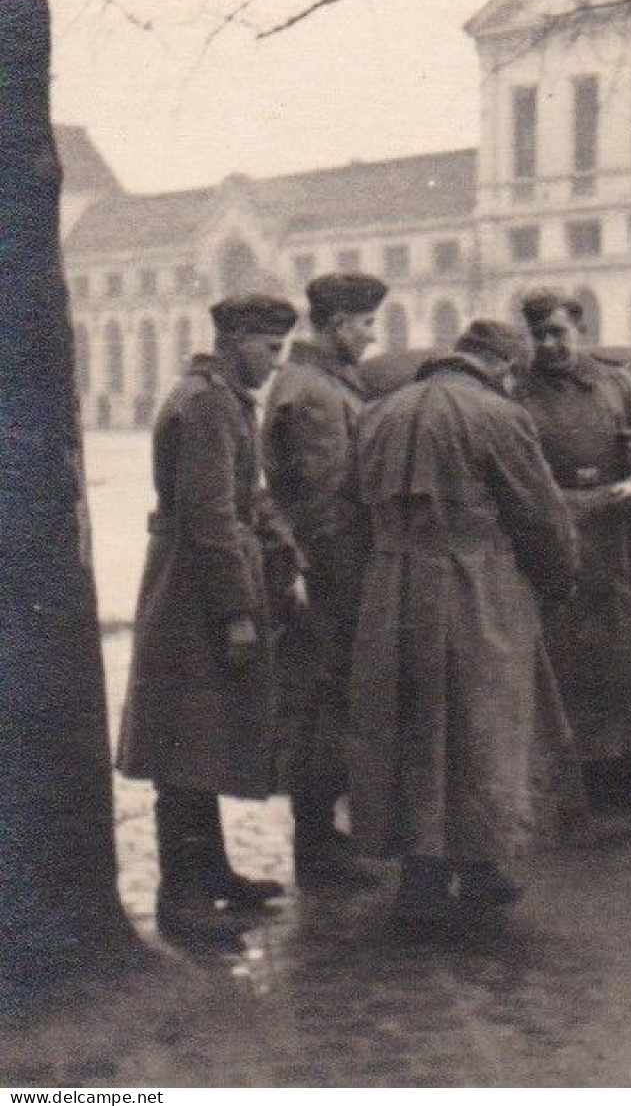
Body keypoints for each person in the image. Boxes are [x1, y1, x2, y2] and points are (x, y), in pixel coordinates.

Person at [346, 319, 581, 933]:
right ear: (505, 367)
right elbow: (540, 515)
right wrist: (557, 579)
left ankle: (419, 877)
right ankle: (479, 862)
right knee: (482, 725)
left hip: (391, 586)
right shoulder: (499, 415)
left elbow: (346, 513)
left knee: (410, 726)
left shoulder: (377, 412)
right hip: (477, 584)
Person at [117, 293, 300, 949]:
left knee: (202, 732)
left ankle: (210, 869)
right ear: (232, 339)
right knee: (187, 740)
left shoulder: (214, 396)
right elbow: (212, 516)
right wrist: (237, 613)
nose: (274, 362)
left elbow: (246, 498)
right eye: (267, 348)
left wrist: (285, 552)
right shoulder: (211, 404)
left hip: (194, 583)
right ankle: (183, 898)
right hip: (195, 590)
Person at [513, 290, 631, 841]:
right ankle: (567, 807)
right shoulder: (515, 389)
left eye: (559, 333)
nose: (548, 345)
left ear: (580, 330)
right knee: (559, 677)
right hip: (553, 549)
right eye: (538, 334)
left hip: (621, 550)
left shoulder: (617, 384)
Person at [261, 271, 388, 889]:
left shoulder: (321, 382)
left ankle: (322, 834)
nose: (371, 335)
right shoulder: (314, 392)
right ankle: (315, 842)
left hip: (328, 568)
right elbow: (324, 498)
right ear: (339, 327)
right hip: (330, 573)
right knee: (321, 702)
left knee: (325, 700)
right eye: (366, 324)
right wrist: (337, 577)